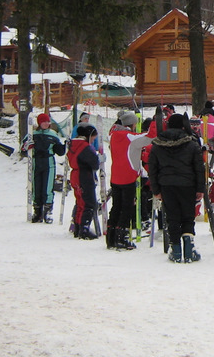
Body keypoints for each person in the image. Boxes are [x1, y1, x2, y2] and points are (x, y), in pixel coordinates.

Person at [149, 113, 206, 263]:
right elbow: (199, 168)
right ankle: (189, 248)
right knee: (188, 216)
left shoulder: (158, 145)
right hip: (188, 185)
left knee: (172, 217)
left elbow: (152, 169)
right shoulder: (191, 144)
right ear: (183, 126)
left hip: (166, 185)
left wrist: (156, 190)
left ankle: (175, 249)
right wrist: (200, 188)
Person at [108, 110, 148, 250]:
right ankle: (122, 237)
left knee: (116, 207)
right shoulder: (129, 136)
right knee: (127, 208)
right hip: (128, 176)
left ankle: (111, 236)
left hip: (115, 176)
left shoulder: (113, 134)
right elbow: (149, 137)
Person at [30, 112, 65, 224]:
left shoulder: (53, 135)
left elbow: (60, 152)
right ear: (39, 123)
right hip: (36, 163)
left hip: (48, 163)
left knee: (48, 187)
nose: (46, 124)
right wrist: (26, 145)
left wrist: (64, 146)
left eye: (47, 122)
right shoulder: (32, 134)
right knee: (36, 187)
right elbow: (23, 148)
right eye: (43, 122)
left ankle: (48, 211)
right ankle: (37, 211)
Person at [67, 123, 100, 239]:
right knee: (88, 203)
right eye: (93, 139)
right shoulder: (85, 147)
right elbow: (94, 163)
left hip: (75, 174)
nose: (92, 141)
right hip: (84, 176)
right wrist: (98, 158)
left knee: (80, 202)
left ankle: (78, 226)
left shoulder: (73, 144)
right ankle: (84, 228)